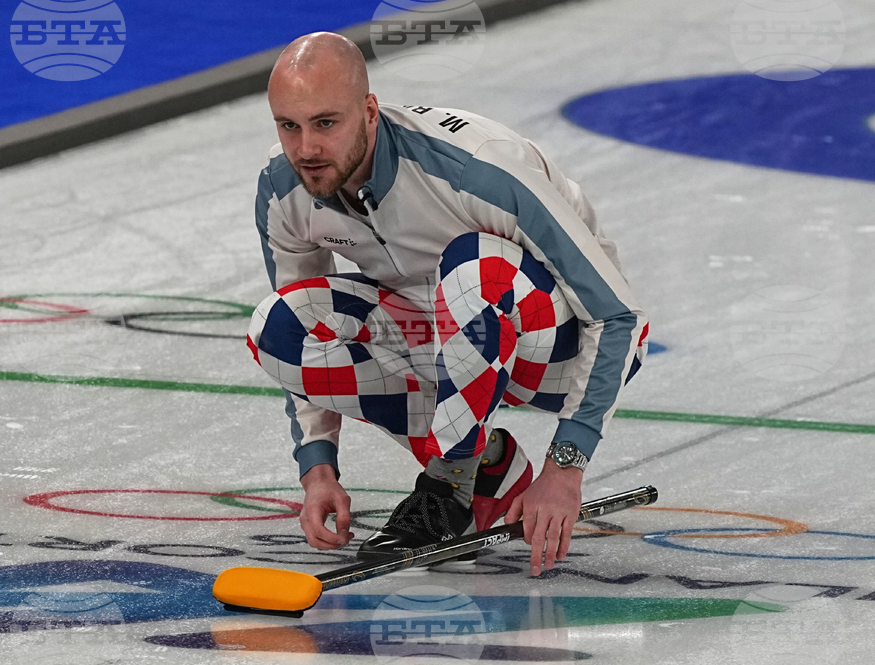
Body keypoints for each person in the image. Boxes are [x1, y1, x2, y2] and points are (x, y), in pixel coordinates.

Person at [247, 32, 648, 577]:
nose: (307, 149)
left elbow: (620, 316)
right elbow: (299, 316)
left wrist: (565, 468)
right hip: (444, 338)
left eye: (325, 123)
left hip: (556, 352)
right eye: (288, 126)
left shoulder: (472, 170)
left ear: (369, 111)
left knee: (473, 267)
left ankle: (449, 479)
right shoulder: (283, 188)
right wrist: (317, 468)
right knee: (281, 322)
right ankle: (487, 467)